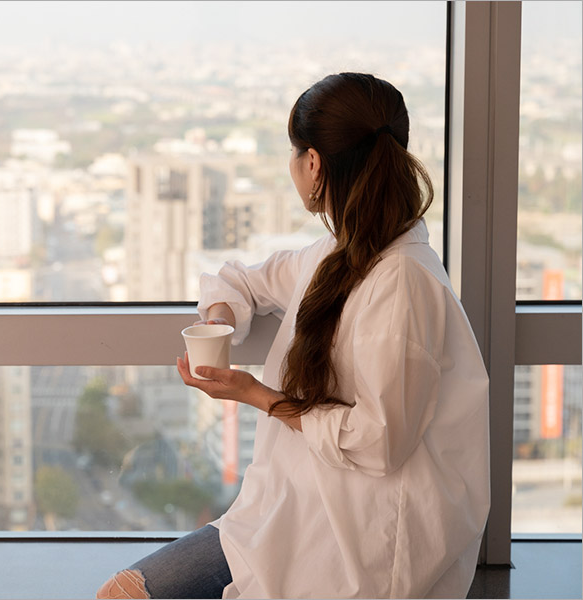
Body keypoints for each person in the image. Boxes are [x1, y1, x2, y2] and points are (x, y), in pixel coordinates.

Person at [96, 72, 490, 599]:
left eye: (293, 152)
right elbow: (239, 279)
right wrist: (219, 322)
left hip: (365, 534)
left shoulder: (402, 284)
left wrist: (254, 394)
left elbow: (381, 441)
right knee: (122, 593)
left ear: (314, 164)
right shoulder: (339, 254)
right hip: (293, 503)